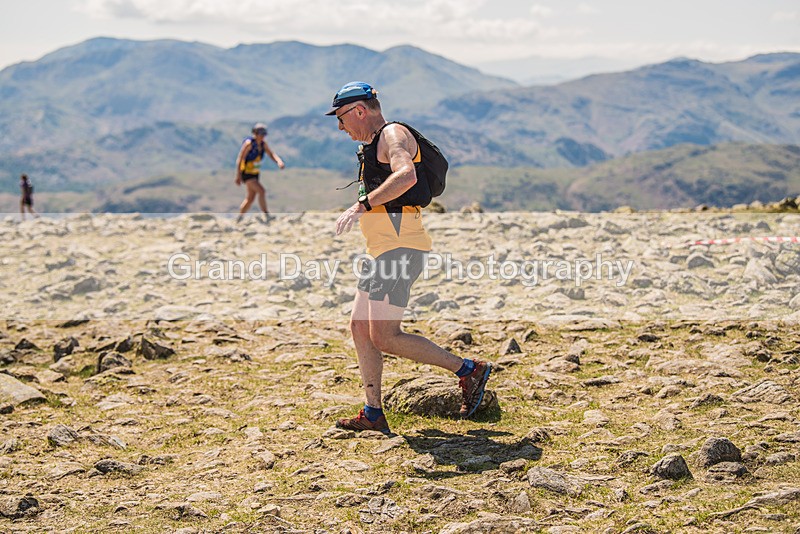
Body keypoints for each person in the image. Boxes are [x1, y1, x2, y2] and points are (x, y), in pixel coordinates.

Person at [327, 81, 493, 433]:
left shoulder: (392, 135)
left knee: (386, 336)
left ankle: (469, 370)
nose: (340, 127)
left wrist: (363, 204)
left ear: (359, 110)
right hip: (382, 250)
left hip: (400, 249)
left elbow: (406, 175)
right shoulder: (374, 143)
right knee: (360, 326)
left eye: (341, 118)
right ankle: (373, 413)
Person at [235, 123, 284, 222]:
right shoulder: (249, 144)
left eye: (263, 134)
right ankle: (266, 215)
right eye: (260, 134)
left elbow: (271, 154)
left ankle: (239, 218)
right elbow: (240, 159)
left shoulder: (262, 144)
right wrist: (238, 175)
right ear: (255, 133)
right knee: (261, 191)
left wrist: (279, 161)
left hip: (255, 173)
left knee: (250, 198)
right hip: (247, 173)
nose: (262, 136)